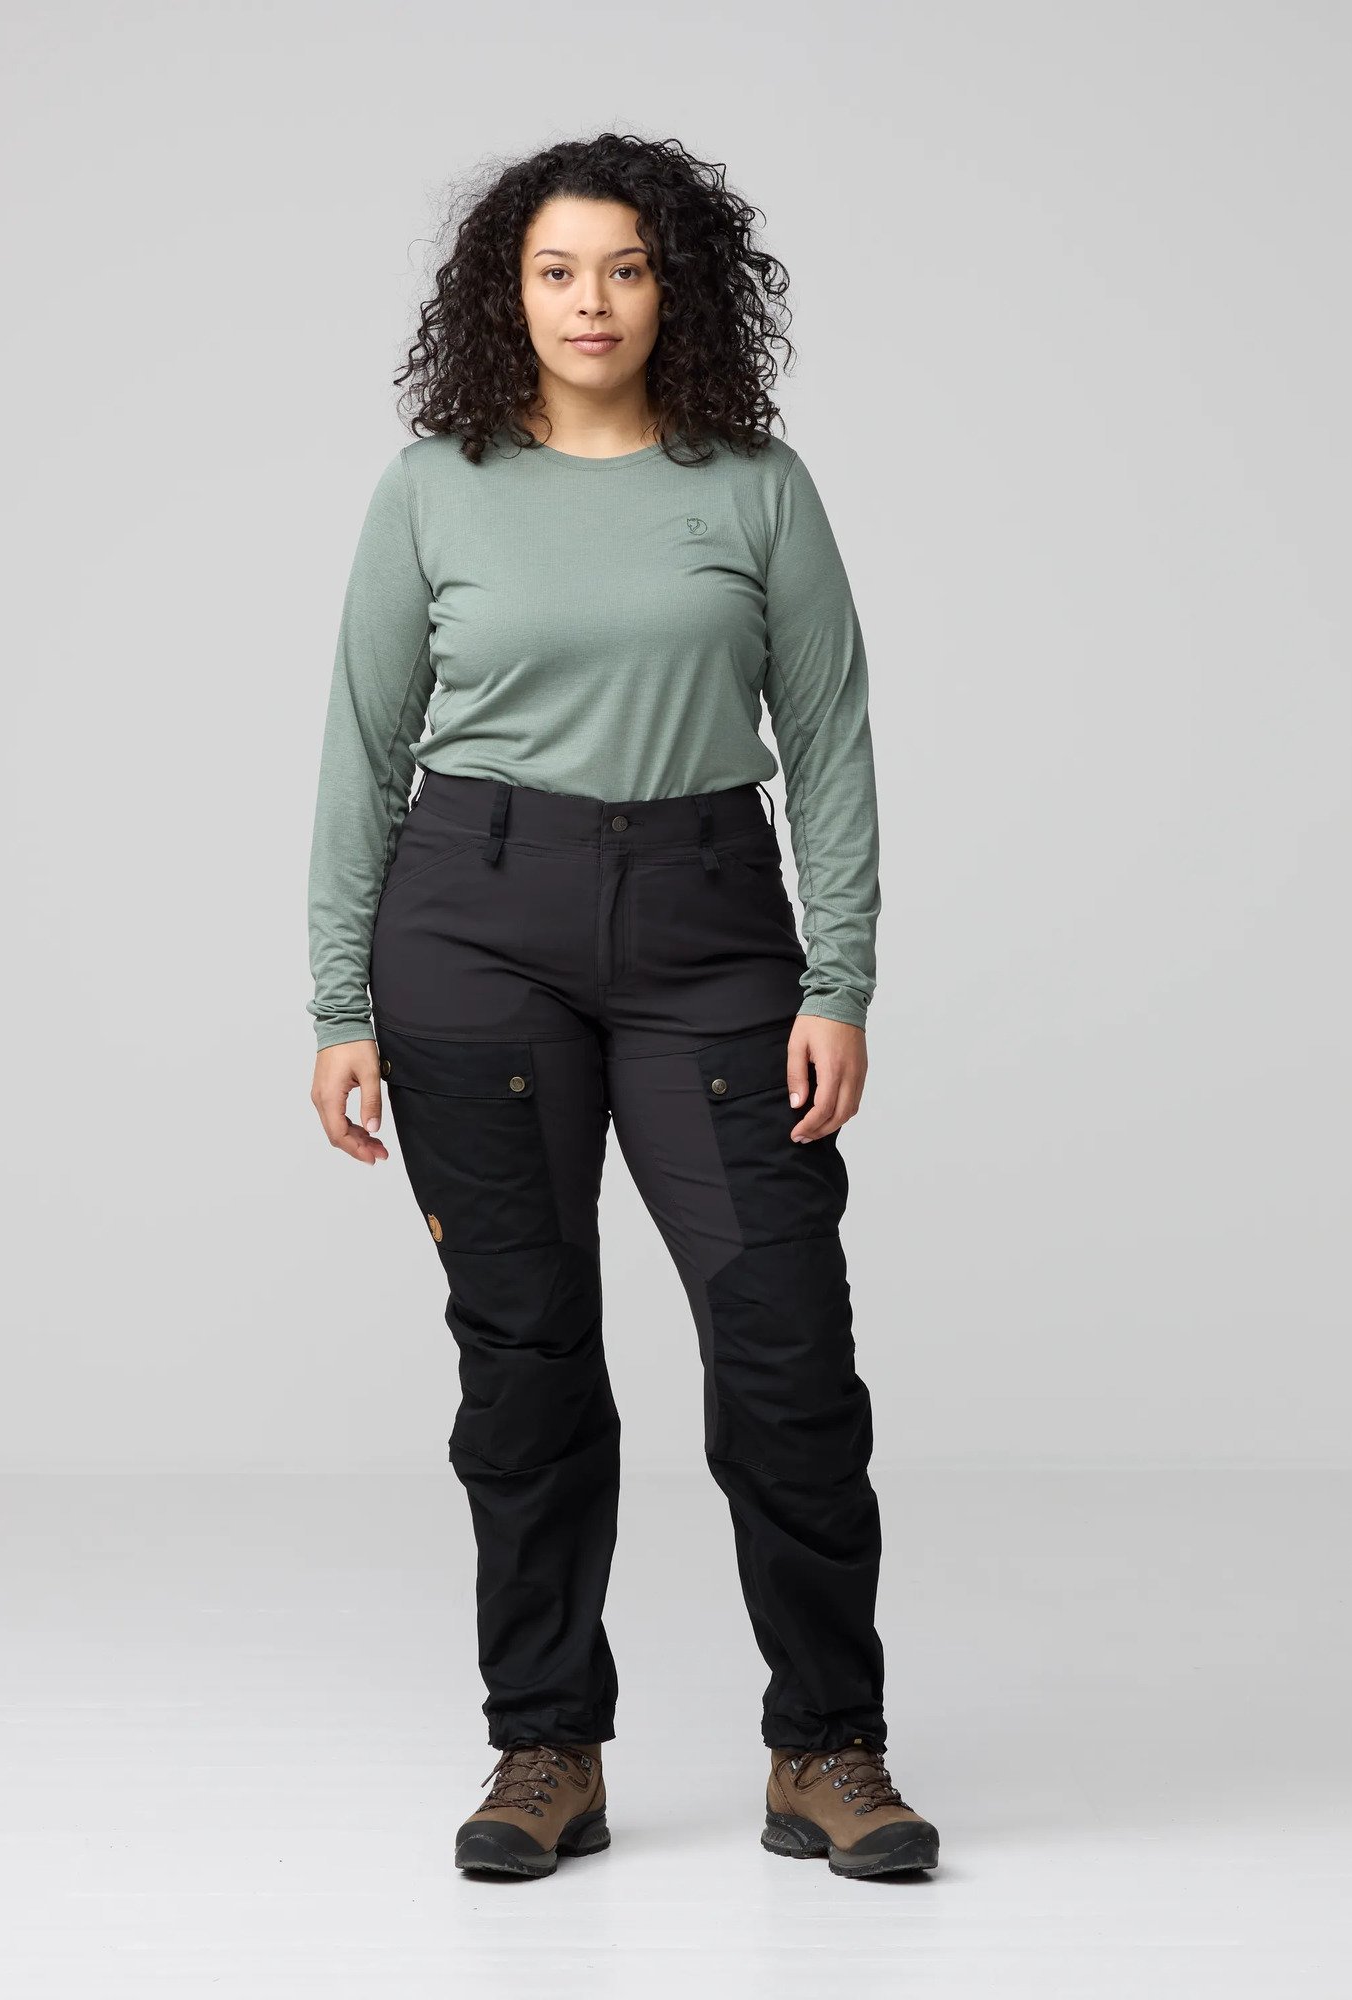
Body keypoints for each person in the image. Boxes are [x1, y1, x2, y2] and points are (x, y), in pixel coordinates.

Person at [305, 132, 937, 1883]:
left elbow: (829, 737)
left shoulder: (756, 487)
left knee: (785, 1353)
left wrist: (840, 976)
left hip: (708, 932)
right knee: (524, 1365)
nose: (592, 302)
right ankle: (545, 1750)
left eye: (628, 269)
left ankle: (828, 1747)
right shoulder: (435, 488)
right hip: (474, 926)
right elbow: (363, 745)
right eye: (557, 271)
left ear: (680, 289)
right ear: (506, 295)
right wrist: (337, 1001)